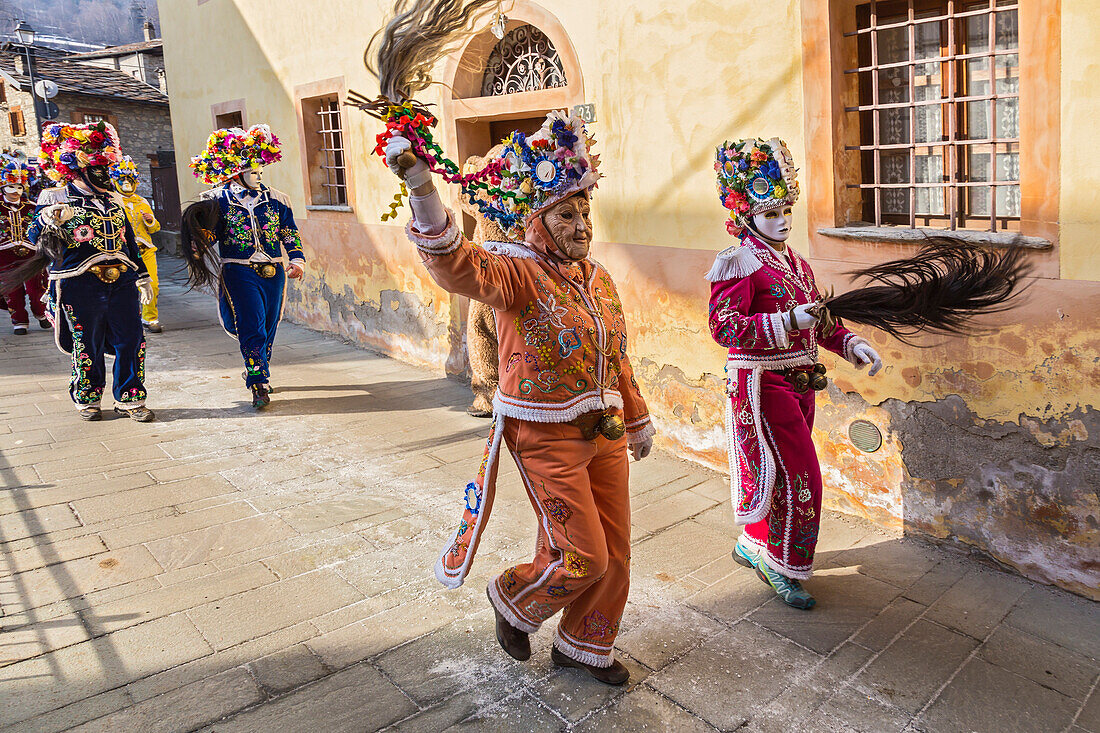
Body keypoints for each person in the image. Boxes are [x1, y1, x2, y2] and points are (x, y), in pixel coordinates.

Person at [382, 111, 654, 685]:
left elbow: (616, 352)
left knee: (618, 550)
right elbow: (458, 266)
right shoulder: (517, 272)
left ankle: (584, 644)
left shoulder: (597, 277)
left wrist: (635, 417)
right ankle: (514, 599)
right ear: (537, 221)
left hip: (601, 430)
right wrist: (422, 187)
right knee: (583, 555)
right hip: (545, 437)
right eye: (565, 214)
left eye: (584, 212)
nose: (581, 225)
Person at [706, 138, 882, 609]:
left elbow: (819, 320)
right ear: (747, 217)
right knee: (800, 472)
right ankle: (779, 563)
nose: (783, 220)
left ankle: (752, 542)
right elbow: (723, 328)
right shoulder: (737, 262)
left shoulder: (796, 264)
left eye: (786, 210)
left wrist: (850, 343)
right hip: (762, 384)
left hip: (802, 381)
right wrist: (787, 323)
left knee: (781, 472)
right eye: (770, 213)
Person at [21, 121, 155, 422]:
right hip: (78, 282)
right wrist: (48, 219)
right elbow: (32, 237)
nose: (107, 174)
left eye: (108, 167)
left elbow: (129, 242)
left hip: (121, 280)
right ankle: (88, 395)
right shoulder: (55, 198)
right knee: (87, 342)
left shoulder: (114, 199)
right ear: (78, 167)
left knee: (132, 338)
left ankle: (130, 396)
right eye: (99, 168)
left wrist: (142, 276)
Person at [183, 125, 305, 409]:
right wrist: (198, 242)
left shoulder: (277, 199)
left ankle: (259, 366)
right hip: (239, 270)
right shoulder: (216, 200)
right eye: (252, 169)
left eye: (260, 168)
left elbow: (288, 231)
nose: (258, 174)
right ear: (235, 170)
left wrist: (296, 259)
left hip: (274, 271)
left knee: (269, 323)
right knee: (251, 322)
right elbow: (209, 234)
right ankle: (258, 381)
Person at [111, 156, 163, 332]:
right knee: (127, 287)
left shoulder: (142, 201)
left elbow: (155, 228)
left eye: (130, 179)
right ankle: (130, 319)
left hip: (146, 250)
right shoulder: (112, 201)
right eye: (122, 179)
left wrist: (150, 221)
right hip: (123, 251)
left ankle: (150, 318)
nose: (126, 183)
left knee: (152, 284)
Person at [0, 160, 48, 335]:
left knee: (37, 288)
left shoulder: (33, 207)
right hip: (4, 255)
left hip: (31, 254)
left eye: (19, 187)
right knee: (12, 290)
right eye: (11, 187)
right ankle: (19, 320)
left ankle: (41, 313)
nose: (16, 192)